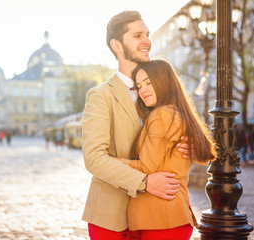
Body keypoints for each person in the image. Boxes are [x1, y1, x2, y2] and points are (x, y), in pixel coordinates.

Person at [81, 11, 192, 240]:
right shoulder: (101, 95)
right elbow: (94, 157)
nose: (147, 41)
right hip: (111, 217)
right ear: (117, 45)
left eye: (148, 34)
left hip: (157, 215)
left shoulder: (160, 93)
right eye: (138, 35)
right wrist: (144, 182)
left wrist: (186, 147)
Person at [114, 59, 217, 239]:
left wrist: (114, 162)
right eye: (139, 86)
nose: (143, 89)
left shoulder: (162, 114)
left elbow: (147, 168)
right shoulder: (176, 112)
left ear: (164, 81)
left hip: (161, 218)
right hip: (166, 217)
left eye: (148, 82)